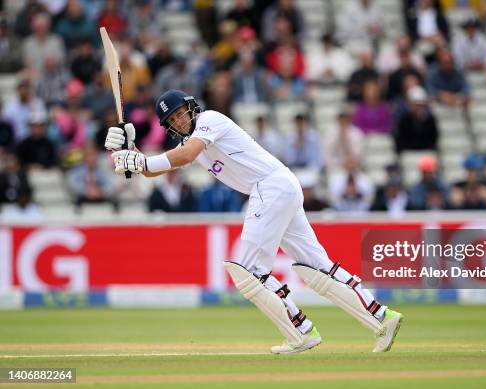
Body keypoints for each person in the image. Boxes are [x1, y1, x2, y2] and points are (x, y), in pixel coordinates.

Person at [105, 89, 403, 354]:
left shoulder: (211, 120)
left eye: (181, 114)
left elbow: (183, 156)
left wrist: (142, 161)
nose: (180, 121)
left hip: (270, 187)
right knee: (317, 267)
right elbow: (153, 168)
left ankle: (301, 331)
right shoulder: (192, 143)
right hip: (279, 188)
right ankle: (382, 317)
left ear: (191, 108)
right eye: (173, 120)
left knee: (247, 271)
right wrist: (129, 153)